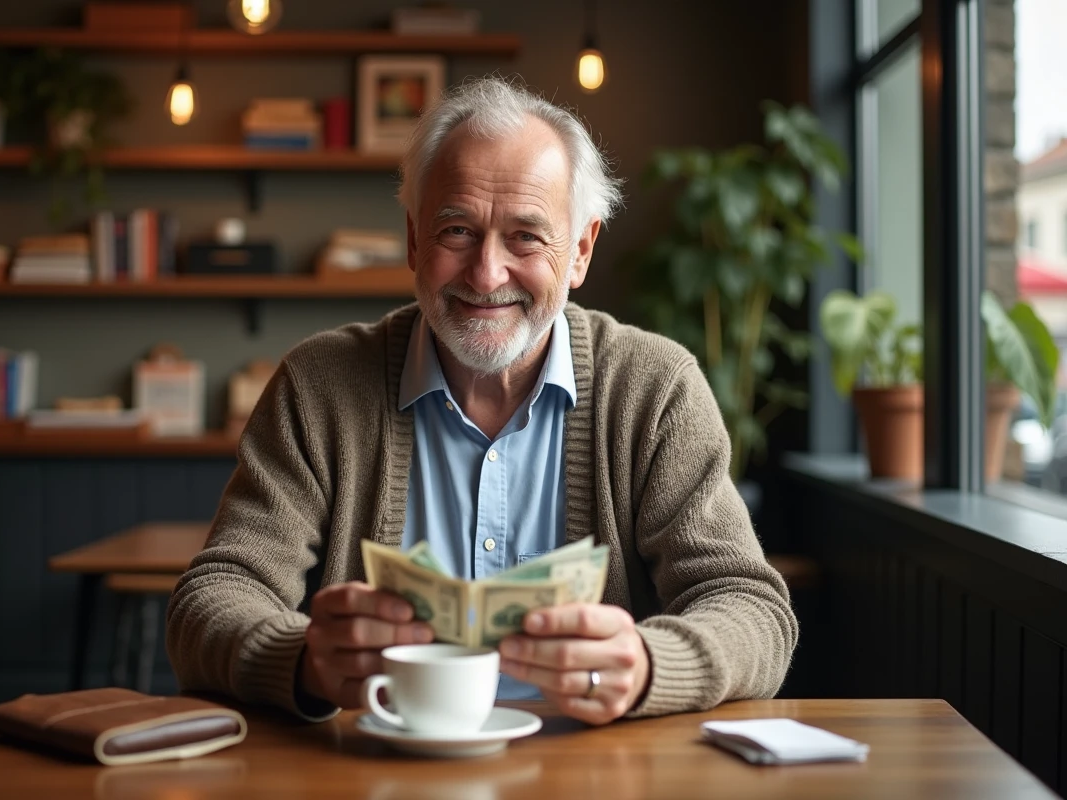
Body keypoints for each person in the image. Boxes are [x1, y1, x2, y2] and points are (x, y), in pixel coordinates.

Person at [166, 77, 797, 726]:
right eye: (457, 231)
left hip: (590, 767)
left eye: (526, 236)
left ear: (580, 251)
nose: (487, 274)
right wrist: (303, 659)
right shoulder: (317, 385)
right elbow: (210, 600)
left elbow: (752, 609)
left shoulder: (655, 389)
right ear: (414, 241)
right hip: (373, 764)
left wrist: (648, 665)